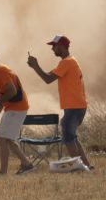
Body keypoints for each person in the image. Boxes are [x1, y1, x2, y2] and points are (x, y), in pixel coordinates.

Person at [26, 34, 92, 170]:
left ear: (61, 46)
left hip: (74, 106)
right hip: (77, 106)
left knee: (68, 138)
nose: (52, 49)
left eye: (54, 46)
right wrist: (36, 67)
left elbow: (47, 79)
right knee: (72, 137)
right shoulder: (70, 61)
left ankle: (78, 168)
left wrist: (35, 66)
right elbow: (49, 75)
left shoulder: (66, 62)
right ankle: (87, 165)